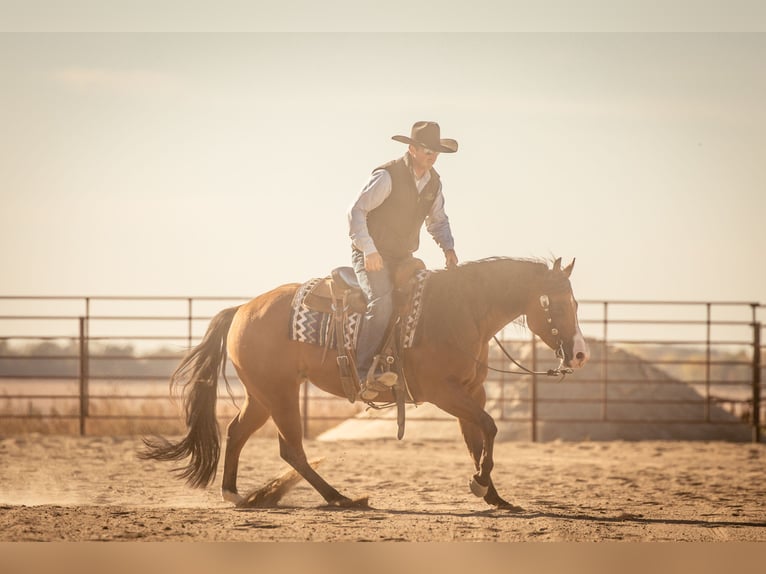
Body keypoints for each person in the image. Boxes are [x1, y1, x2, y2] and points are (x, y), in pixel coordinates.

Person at [347, 121, 459, 400]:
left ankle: (401, 365)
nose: (431, 155)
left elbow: (438, 221)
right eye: (426, 149)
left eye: (435, 151)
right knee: (381, 301)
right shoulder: (387, 176)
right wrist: (369, 250)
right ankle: (362, 374)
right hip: (370, 253)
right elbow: (356, 212)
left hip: (402, 256)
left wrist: (448, 249)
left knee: (425, 298)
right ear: (411, 149)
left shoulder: (433, 183)